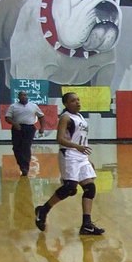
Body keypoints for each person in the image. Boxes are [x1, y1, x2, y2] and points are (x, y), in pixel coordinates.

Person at [34, 92, 105, 236]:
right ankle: (43, 210)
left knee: (90, 188)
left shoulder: (80, 117)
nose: (77, 102)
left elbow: (81, 140)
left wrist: (85, 156)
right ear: (66, 104)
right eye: (73, 101)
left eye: (78, 99)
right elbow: (59, 139)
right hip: (69, 155)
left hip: (81, 156)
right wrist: (77, 147)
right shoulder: (65, 117)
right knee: (70, 188)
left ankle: (86, 225)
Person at [4, 90, 44, 176]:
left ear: (27, 96)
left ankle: (25, 167)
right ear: (18, 97)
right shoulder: (13, 106)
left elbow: (41, 116)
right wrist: (14, 123)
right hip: (17, 128)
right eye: (22, 95)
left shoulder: (33, 106)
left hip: (29, 128)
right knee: (16, 148)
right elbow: (7, 118)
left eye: (25, 95)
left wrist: (42, 128)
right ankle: (21, 164)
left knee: (26, 147)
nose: (24, 97)